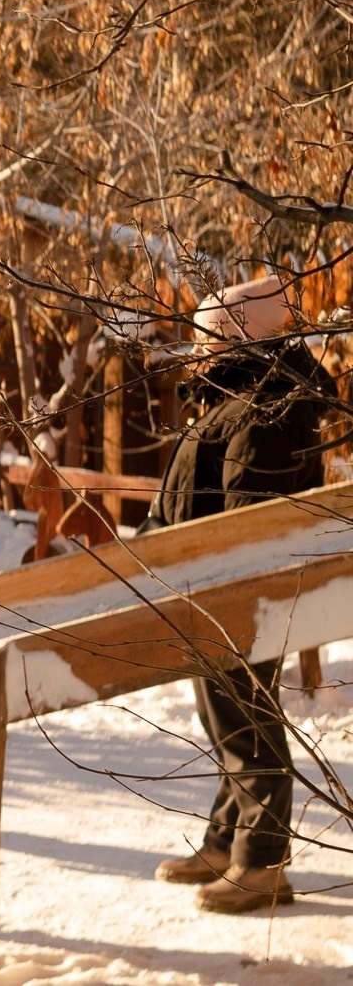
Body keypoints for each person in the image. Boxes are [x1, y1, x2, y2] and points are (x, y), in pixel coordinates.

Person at [146, 275, 330, 914]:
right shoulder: (246, 396)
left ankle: (262, 862)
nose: (196, 351)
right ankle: (228, 840)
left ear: (234, 337)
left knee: (245, 718)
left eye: (205, 337)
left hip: (240, 591)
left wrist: (203, 562)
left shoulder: (270, 406)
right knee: (223, 715)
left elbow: (249, 517)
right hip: (211, 588)